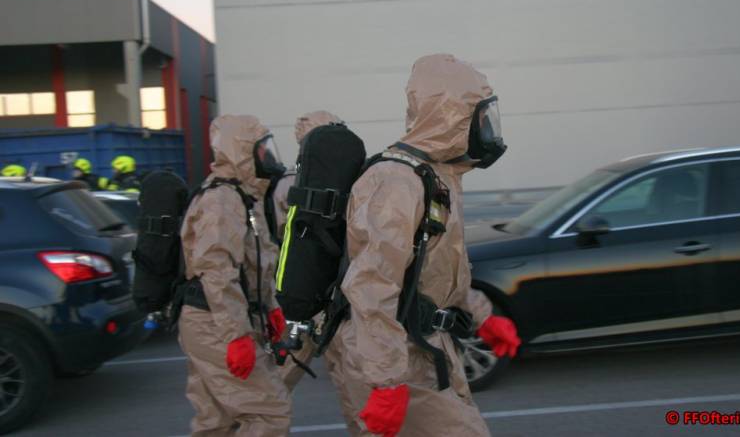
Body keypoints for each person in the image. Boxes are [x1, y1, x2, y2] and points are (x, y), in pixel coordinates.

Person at [327, 54, 521, 436]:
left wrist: (482, 317)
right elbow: (371, 285)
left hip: (429, 349)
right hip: (400, 356)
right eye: (481, 118)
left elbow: (440, 272)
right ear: (451, 117)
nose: (487, 130)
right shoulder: (395, 181)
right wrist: (386, 380)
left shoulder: (437, 177)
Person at [177, 115, 291, 436]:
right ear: (242, 152)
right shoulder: (222, 199)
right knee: (269, 412)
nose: (268, 156)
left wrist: (270, 308)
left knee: (216, 422)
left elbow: (255, 265)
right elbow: (216, 269)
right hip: (214, 322)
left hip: (214, 318)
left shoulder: (242, 196)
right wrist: (237, 335)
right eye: (262, 149)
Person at [272, 109, 343, 390]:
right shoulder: (350, 178)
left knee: (285, 371)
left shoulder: (288, 183)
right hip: (324, 290)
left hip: (305, 286)